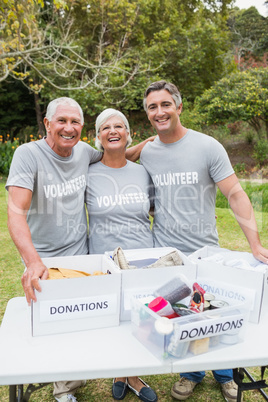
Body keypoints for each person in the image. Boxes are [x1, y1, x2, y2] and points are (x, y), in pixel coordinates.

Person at [6, 98, 151, 402]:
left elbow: (115, 153)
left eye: (75, 122)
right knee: (57, 325)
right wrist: (32, 261)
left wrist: (152, 143)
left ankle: (97, 374)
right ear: (47, 124)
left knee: (83, 321)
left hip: (81, 253)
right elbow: (15, 210)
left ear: (83, 129)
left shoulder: (84, 152)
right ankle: (65, 390)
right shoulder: (28, 154)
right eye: (62, 121)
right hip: (44, 260)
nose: (68, 128)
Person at [140, 80, 268, 402]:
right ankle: (191, 373)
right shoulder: (148, 151)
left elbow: (236, 194)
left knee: (215, 313)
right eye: (152, 107)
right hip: (168, 253)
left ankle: (225, 374)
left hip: (205, 250)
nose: (159, 111)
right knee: (182, 315)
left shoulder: (208, 146)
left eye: (165, 104)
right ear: (148, 114)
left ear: (179, 107)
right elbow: (119, 156)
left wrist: (254, 244)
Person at [85, 108, 157, 402]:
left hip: (142, 258)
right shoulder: (87, 173)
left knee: (139, 318)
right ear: (98, 137)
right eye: (106, 127)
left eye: (119, 126)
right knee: (114, 318)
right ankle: (123, 373)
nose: (113, 131)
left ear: (129, 134)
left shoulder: (142, 172)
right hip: (105, 259)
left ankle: (131, 374)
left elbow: (154, 209)